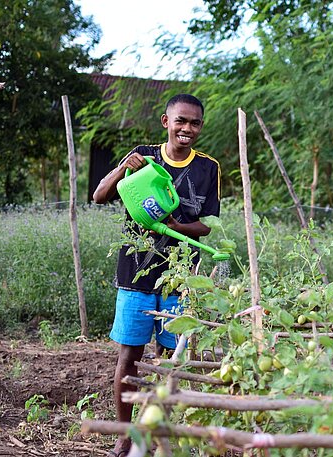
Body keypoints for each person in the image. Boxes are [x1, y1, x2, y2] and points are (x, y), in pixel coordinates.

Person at [92, 93, 220, 456]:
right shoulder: (142, 157)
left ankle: (160, 433)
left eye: (194, 123)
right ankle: (124, 433)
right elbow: (100, 195)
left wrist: (177, 225)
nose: (187, 129)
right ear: (166, 122)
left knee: (170, 359)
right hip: (136, 273)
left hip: (181, 275)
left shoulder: (208, 168)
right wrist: (122, 169)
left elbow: (208, 225)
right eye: (181, 121)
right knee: (129, 356)